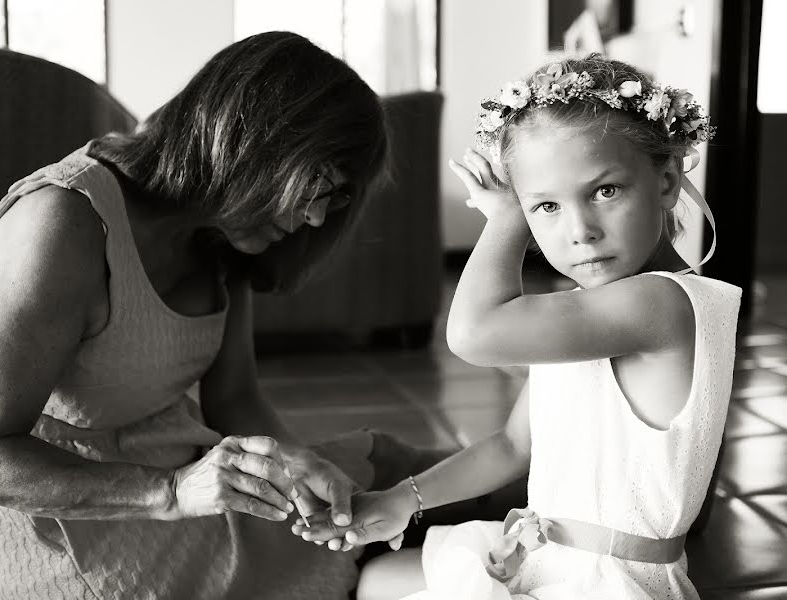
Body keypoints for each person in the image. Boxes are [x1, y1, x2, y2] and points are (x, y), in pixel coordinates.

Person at [0, 31, 434, 600]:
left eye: (337, 198)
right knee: (386, 513)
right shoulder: (61, 221)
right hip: (86, 528)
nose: (318, 218)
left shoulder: (222, 233)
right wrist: (173, 491)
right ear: (252, 139)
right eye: (317, 183)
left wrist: (296, 460)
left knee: (386, 471)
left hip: (186, 470)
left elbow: (235, 401)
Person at [294, 54, 742, 600]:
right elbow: (510, 446)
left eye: (606, 191)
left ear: (667, 180)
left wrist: (507, 219)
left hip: (610, 584)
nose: (581, 231)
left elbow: (472, 333)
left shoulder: (663, 304)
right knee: (377, 579)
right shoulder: (594, 311)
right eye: (546, 206)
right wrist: (398, 500)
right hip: (547, 556)